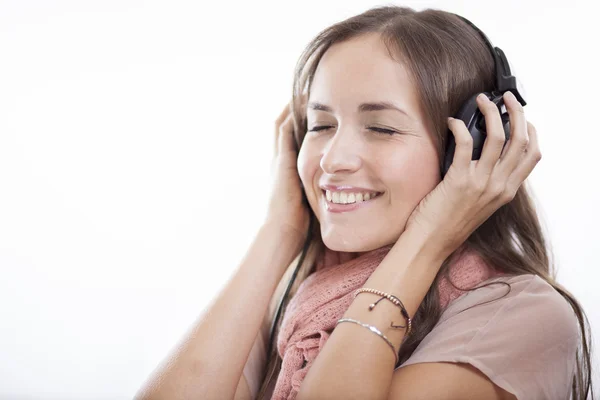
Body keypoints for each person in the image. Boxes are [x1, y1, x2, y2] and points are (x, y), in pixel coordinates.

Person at [134, 6, 594, 400]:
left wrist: (428, 239)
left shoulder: (521, 315)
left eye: (382, 128)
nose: (332, 160)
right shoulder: (299, 298)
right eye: (320, 126)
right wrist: (279, 231)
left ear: (472, 148)